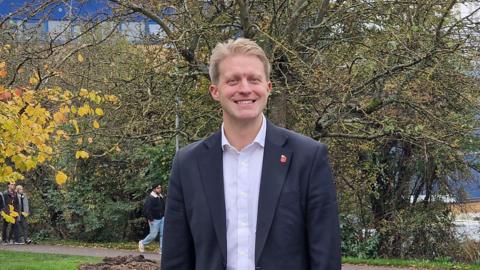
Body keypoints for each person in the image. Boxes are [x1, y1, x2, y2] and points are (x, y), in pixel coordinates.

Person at [161, 38, 341, 270]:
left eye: (254, 79)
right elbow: (176, 259)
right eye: (233, 80)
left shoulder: (308, 157)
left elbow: (325, 256)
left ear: (268, 87)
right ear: (215, 91)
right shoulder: (188, 164)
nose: (245, 88)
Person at [139, 183, 165, 253]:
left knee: (163, 234)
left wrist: (164, 215)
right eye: (158, 188)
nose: (160, 189)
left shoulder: (160, 197)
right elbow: (146, 210)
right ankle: (142, 243)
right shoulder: (150, 198)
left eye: (160, 188)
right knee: (153, 235)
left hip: (162, 218)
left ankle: (162, 250)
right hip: (154, 219)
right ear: (154, 189)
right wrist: (150, 219)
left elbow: (163, 207)